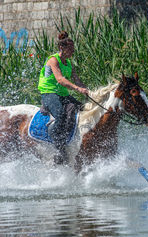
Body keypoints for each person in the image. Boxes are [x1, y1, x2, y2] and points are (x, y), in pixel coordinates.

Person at [38, 31, 89, 164]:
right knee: (60, 115)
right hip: (49, 93)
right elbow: (60, 80)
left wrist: (87, 90)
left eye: (73, 49)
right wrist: (77, 89)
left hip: (63, 95)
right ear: (62, 48)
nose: (73, 52)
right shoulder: (53, 60)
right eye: (70, 49)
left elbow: (77, 81)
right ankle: (58, 147)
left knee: (84, 109)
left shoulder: (69, 64)